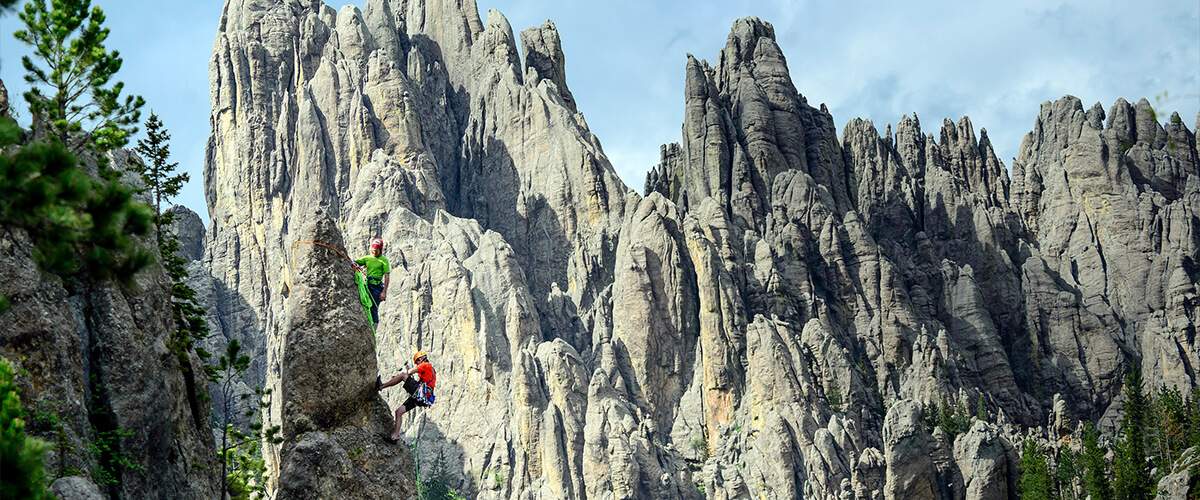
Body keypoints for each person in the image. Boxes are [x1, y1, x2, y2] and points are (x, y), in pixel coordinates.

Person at [377, 351, 437, 443]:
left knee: (402, 375)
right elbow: (421, 381)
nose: (417, 364)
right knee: (399, 412)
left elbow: (408, 373)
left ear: (420, 359)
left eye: (417, 362)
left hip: (421, 393)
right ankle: (395, 436)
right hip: (423, 397)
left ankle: (381, 386)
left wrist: (400, 375)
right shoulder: (430, 369)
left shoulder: (425, 365)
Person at [354, 237, 390, 326]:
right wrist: (355, 265)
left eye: (376, 250)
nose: (374, 251)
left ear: (380, 250)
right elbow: (355, 262)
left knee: (373, 307)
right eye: (373, 250)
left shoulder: (384, 260)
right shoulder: (367, 258)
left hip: (377, 287)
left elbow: (387, 276)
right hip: (368, 284)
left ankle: (374, 326)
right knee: (364, 302)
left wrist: (384, 292)